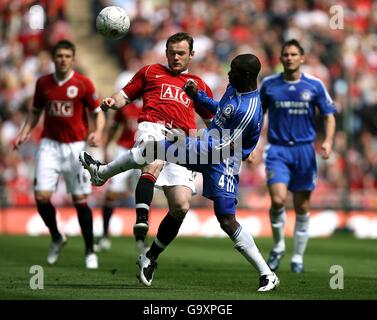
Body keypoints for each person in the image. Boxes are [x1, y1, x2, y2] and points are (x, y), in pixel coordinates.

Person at [79, 53, 280, 292]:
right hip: (212, 145)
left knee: (226, 219)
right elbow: (221, 112)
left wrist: (184, 142)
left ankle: (266, 274)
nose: (228, 73)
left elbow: (230, 146)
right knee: (154, 152)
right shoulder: (234, 87)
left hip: (220, 156)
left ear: (246, 75)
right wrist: (199, 97)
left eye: (233, 70)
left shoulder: (249, 109)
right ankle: (102, 174)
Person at [94, 32, 213, 253]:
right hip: (153, 126)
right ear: (166, 53)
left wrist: (228, 145)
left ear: (192, 55)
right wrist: (113, 101)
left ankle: (151, 256)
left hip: (183, 141)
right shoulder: (150, 72)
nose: (176, 57)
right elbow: (124, 96)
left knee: (181, 205)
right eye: (172, 53)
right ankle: (142, 218)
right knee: (154, 157)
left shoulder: (199, 85)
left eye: (181, 53)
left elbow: (211, 121)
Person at [14, 39, 106, 269]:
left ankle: (89, 250)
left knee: (79, 199)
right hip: (49, 145)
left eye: (67, 56)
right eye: (59, 56)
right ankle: (56, 236)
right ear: (53, 58)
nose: (63, 60)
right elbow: (35, 112)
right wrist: (25, 131)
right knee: (41, 197)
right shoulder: (43, 83)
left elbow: (98, 112)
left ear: (73, 59)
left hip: (76, 147)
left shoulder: (83, 83)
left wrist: (98, 132)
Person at [251, 39, 336, 273]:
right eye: (285, 54)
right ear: (280, 58)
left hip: (304, 151)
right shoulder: (269, 85)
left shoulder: (315, 85)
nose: (289, 58)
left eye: (293, 54)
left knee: (302, 205)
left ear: (302, 58)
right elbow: (257, 116)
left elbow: (329, 115)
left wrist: (328, 141)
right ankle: (278, 246)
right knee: (278, 200)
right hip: (277, 149)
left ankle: (297, 257)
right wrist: (254, 145)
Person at [96, 101, 142, 251]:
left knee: (143, 196)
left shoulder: (153, 102)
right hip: (124, 151)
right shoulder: (126, 107)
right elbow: (114, 126)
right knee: (112, 193)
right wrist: (105, 146)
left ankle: (141, 240)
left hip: (144, 151)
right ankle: (104, 235)